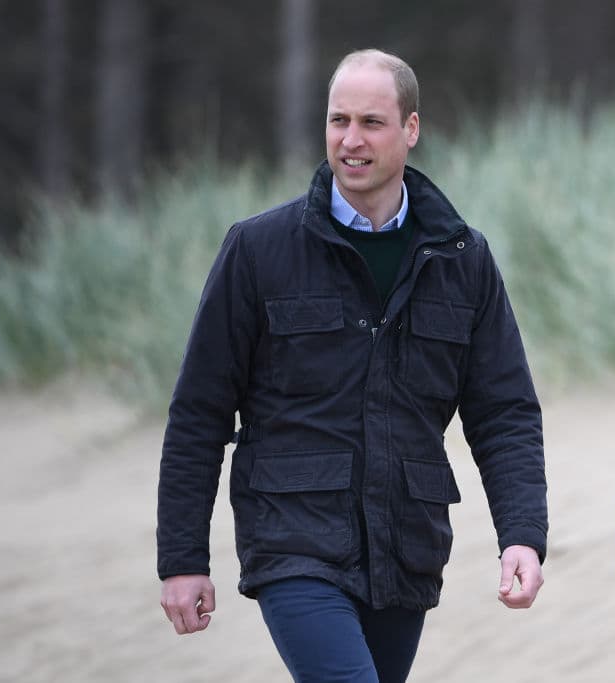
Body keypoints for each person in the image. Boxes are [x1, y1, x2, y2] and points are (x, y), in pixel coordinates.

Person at [157, 48, 548, 682]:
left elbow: (504, 414)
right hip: (292, 539)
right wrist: (182, 557)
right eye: (339, 120)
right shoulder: (259, 249)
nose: (351, 139)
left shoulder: (462, 258)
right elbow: (199, 412)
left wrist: (523, 535)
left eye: (371, 122)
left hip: (406, 547)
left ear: (411, 129)